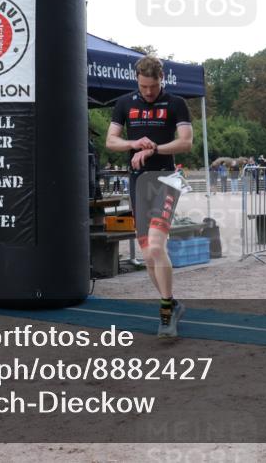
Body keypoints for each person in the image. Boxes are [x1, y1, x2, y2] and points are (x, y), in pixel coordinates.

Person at [106, 55, 193, 337]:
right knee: (147, 255)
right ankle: (173, 304)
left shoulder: (176, 103)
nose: (148, 92)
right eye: (143, 87)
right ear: (137, 81)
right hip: (138, 182)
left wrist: (154, 149)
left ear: (161, 80)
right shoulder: (124, 103)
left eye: (153, 87)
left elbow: (186, 142)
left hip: (167, 179)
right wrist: (134, 143)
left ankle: (166, 311)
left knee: (156, 246)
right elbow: (111, 141)